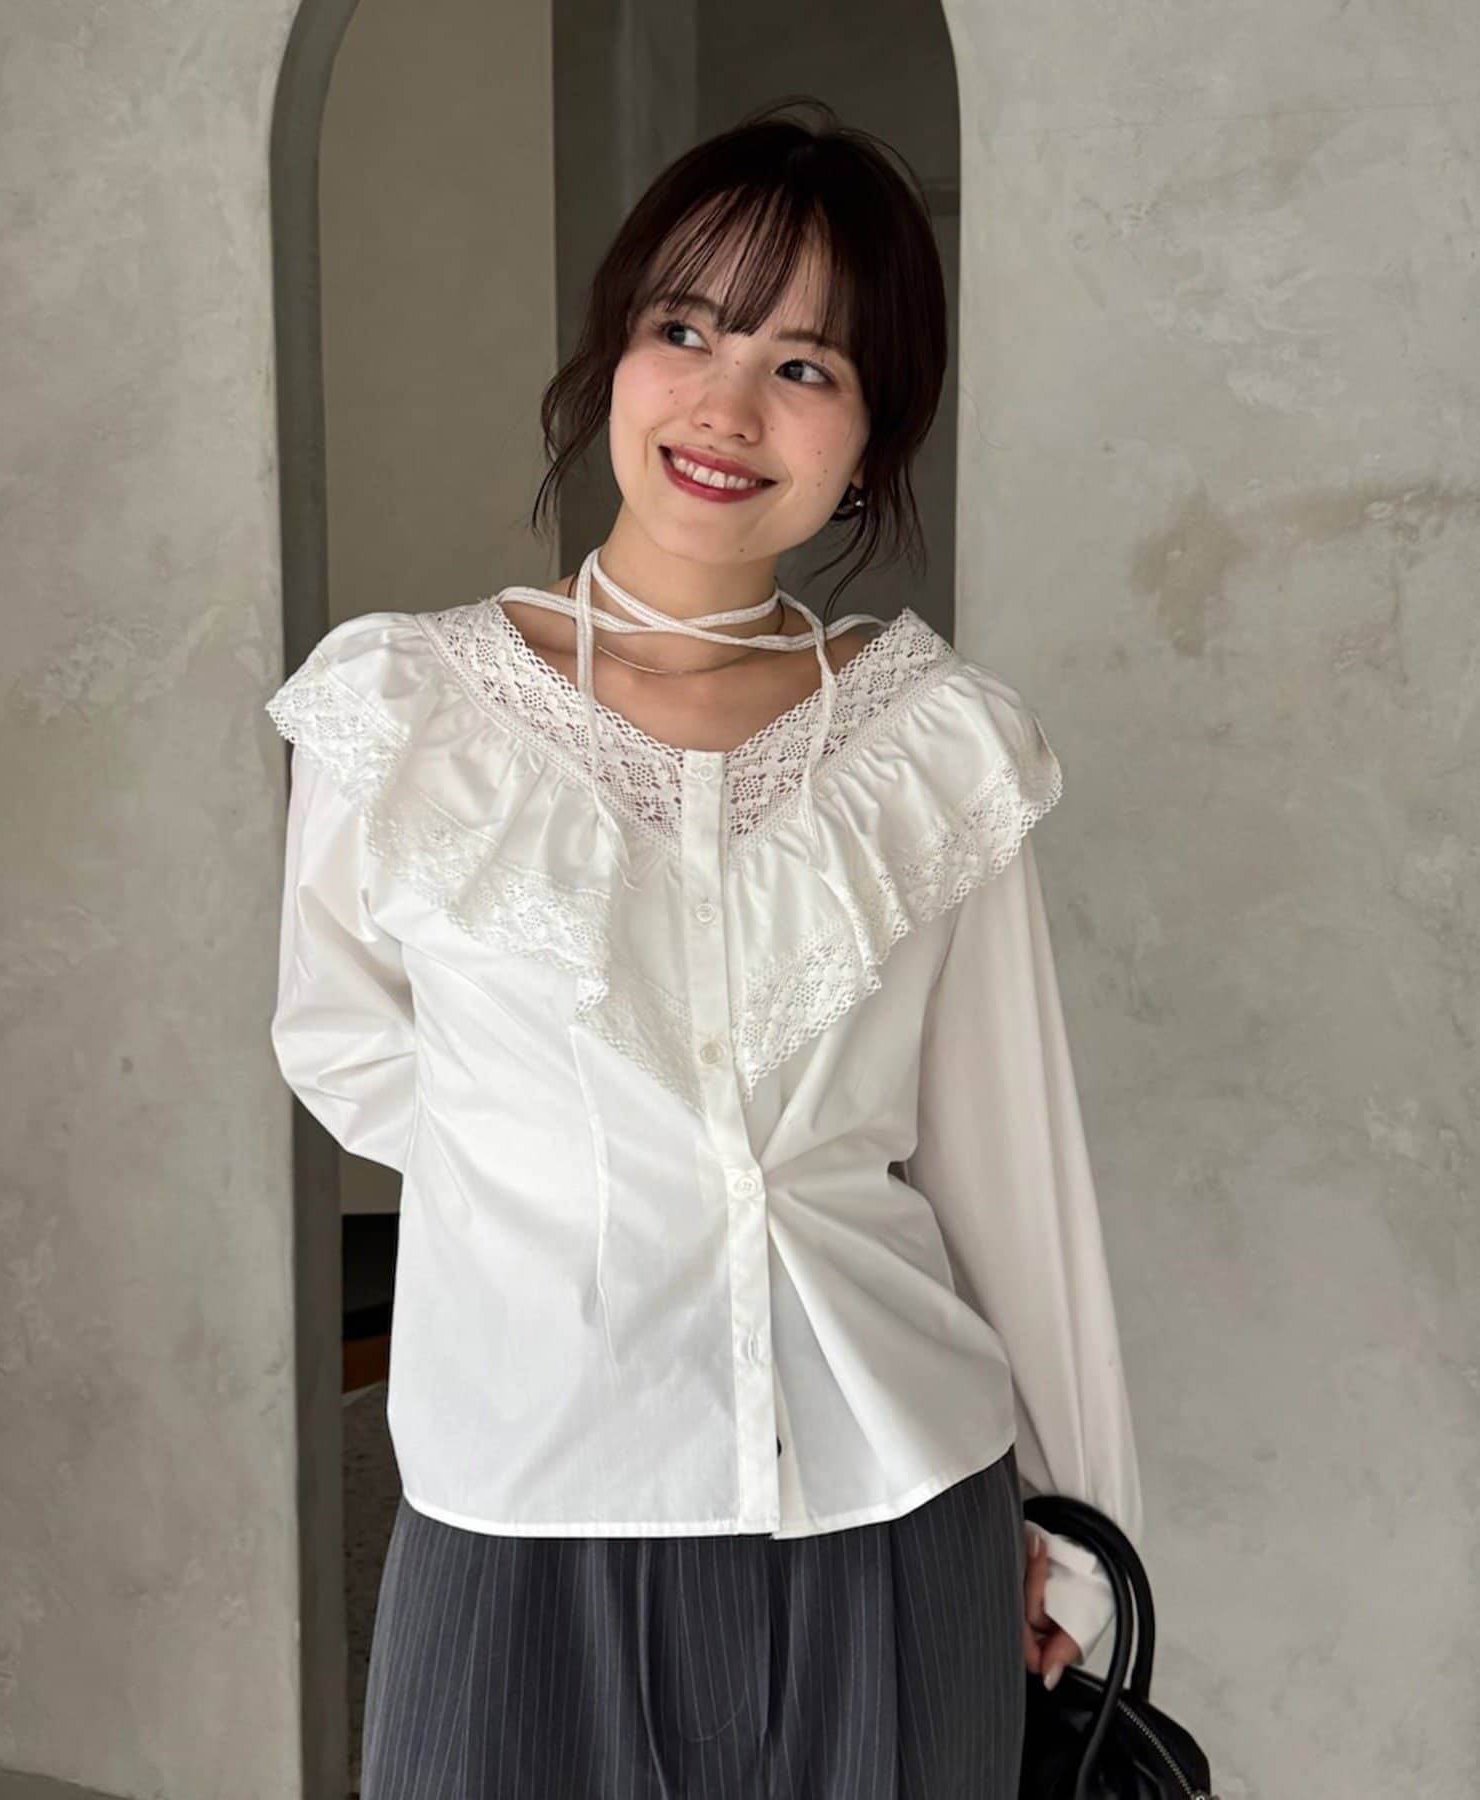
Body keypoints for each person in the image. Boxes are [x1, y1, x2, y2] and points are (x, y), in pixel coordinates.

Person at [266, 96, 1142, 1800]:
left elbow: (1010, 1167)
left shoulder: (932, 746)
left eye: (805, 365)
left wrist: (1078, 1524)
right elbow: (346, 1039)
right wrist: (578, 1172)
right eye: (686, 331)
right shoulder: (404, 709)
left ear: (874, 437)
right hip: (522, 1504)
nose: (728, 408)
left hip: (893, 1515)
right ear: (613, 359)